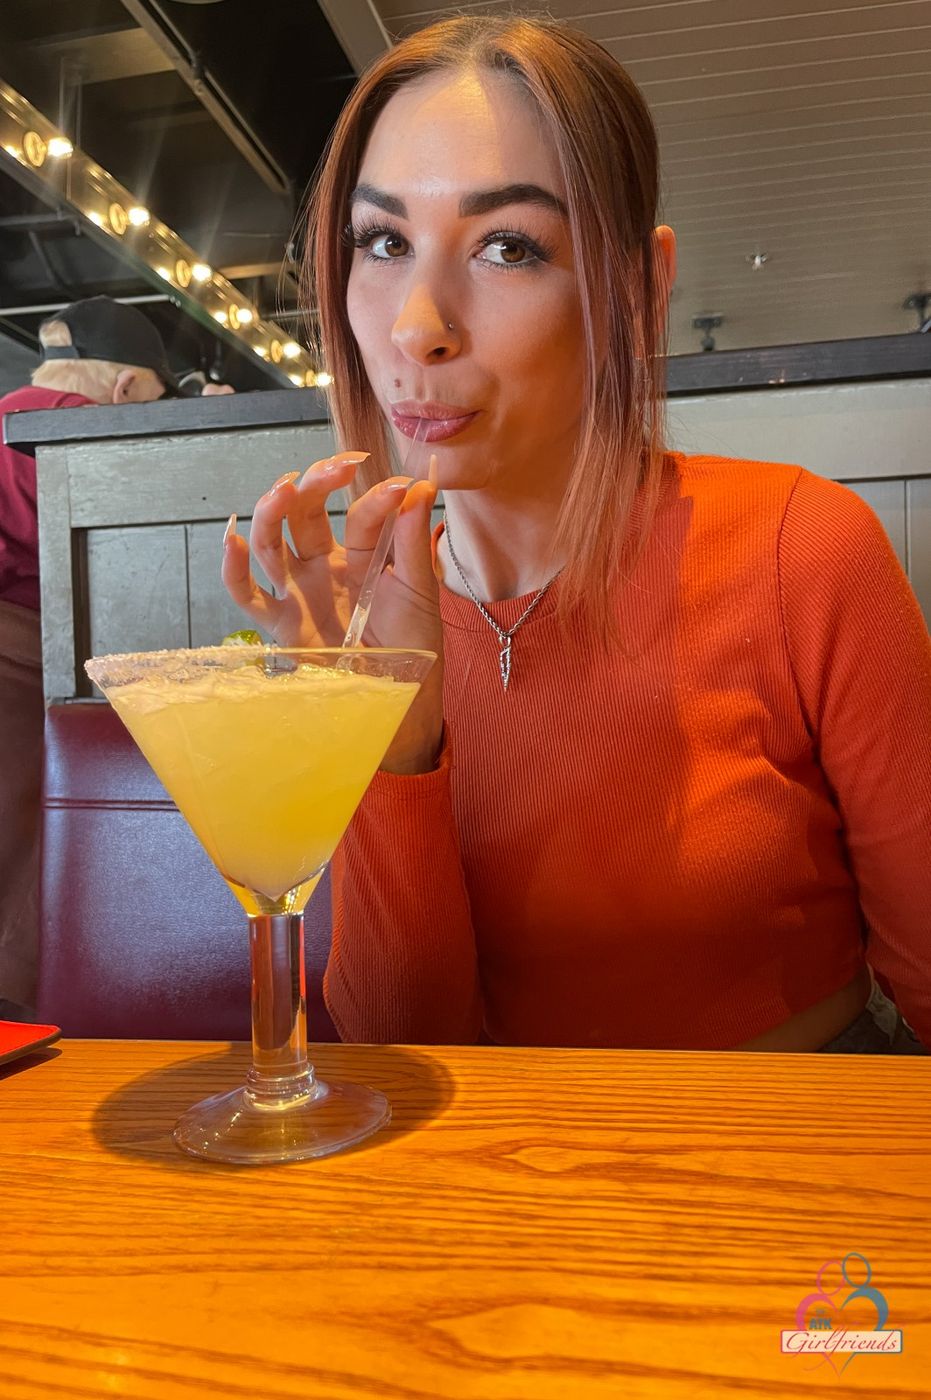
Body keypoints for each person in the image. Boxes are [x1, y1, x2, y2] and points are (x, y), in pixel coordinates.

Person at [222, 16, 931, 1054]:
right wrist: (394, 740)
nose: (416, 323)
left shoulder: (806, 549)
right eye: (384, 242)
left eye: (506, 246)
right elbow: (399, 1039)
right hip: (506, 1149)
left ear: (638, 288)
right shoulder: (352, 623)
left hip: (793, 1133)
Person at [0, 295, 205, 1013]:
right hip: (23, 669)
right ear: (125, 389)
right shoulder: (82, 437)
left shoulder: (11, 418)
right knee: (30, 858)